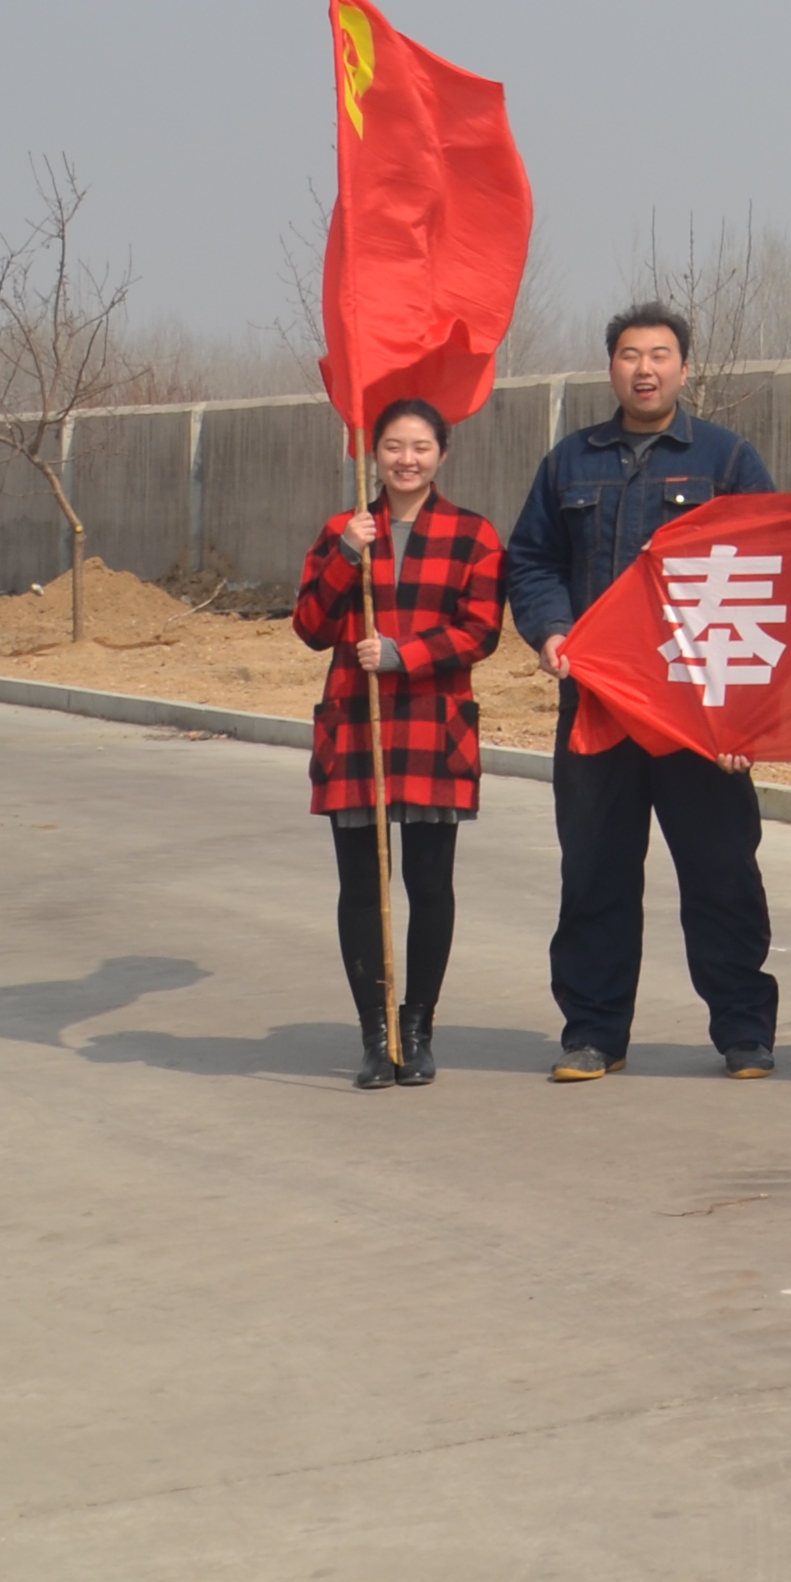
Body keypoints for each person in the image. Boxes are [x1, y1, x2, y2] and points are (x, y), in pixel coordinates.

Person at [504, 304, 785, 1083]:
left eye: (660, 355)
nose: (645, 369)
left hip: (698, 710)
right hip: (597, 706)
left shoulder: (726, 460)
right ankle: (595, 1033)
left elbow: (771, 566)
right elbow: (531, 559)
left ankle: (743, 1031)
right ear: (612, 369)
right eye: (630, 355)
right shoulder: (569, 463)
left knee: (722, 869)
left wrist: (746, 710)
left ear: (684, 369)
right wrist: (552, 631)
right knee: (595, 869)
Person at [295, 397, 503, 1089]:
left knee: (429, 884)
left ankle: (416, 1028)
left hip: (432, 725)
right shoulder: (343, 529)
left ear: (442, 454)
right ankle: (374, 1033)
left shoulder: (473, 534)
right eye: (392, 446)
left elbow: (481, 631)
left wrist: (401, 655)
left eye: (420, 447)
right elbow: (311, 626)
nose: (405, 460)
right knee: (361, 886)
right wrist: (346, 555)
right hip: (358, 725)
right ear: (371, 453)